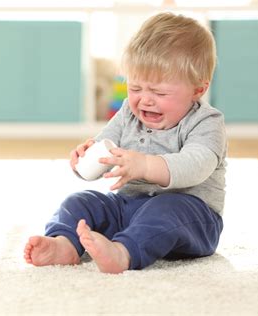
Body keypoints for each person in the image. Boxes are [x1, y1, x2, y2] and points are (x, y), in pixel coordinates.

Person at [24, 12, 226, 274]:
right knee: (81, 202)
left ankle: (123, 252)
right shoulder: (128, 115)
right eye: (135, 88)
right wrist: (85, 158)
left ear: (198, 89)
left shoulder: (206, 122)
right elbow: (105, 146)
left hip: (191, 218)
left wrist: (144, 165)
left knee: (166, 208)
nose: (145, 100)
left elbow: (196, 165)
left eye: (159, 92)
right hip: (128, 207)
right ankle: (65, 244)